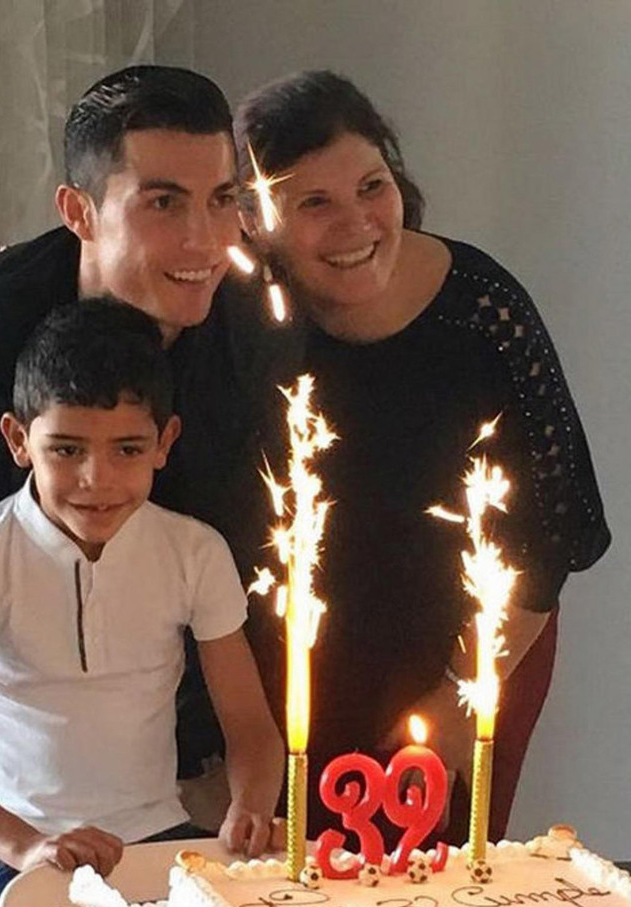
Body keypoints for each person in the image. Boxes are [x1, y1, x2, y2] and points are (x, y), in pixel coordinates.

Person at [0, 64, 293, 907]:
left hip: (134, 591)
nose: (204, 239)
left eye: (221, 199)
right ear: (80, 211)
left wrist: (224, 761)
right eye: (163, 202)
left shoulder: (241, 332)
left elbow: (227, 548)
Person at [235, 71, 611, 845]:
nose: (356, 224)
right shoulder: (238, 322)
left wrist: (451, 706)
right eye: (314, 203)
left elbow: (551, 536)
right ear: (255, 220)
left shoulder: (485, 312)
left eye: (372, 186)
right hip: (282, 679)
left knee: (434, 891)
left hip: (475, 654)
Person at [0, 298, 284, 907]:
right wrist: (28, 847)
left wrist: (252, 805)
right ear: (19, 440)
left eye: (128, 449)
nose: (96, 479)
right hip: (14, 854)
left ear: (165, 442)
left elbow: (250, 726)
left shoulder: (195, 551)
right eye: (67, 450)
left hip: (157, 842)